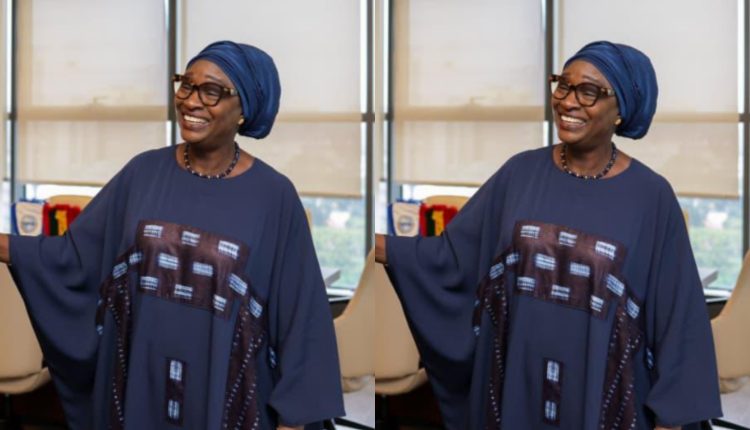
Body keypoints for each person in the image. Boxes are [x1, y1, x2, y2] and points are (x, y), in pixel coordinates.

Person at [374, 41, 722, 430]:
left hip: (601, 399)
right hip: (516, 385)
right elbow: (452, 257)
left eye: (589, 91)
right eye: (563, 85)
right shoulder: (519, 173)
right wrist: (373, 246)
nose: (568, 101)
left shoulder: (651, 197)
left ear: (622, 109)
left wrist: (671, 422)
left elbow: (678, 317)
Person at [0, 41, 344, 430]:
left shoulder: (274, 196)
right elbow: (72, 257)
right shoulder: (142, 173)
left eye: (212, 91)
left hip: (225, 398)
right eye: (186, 85)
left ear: (245, 109)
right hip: (139, 385)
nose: (191, 101)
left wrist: (293, 422)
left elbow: (301, 315)